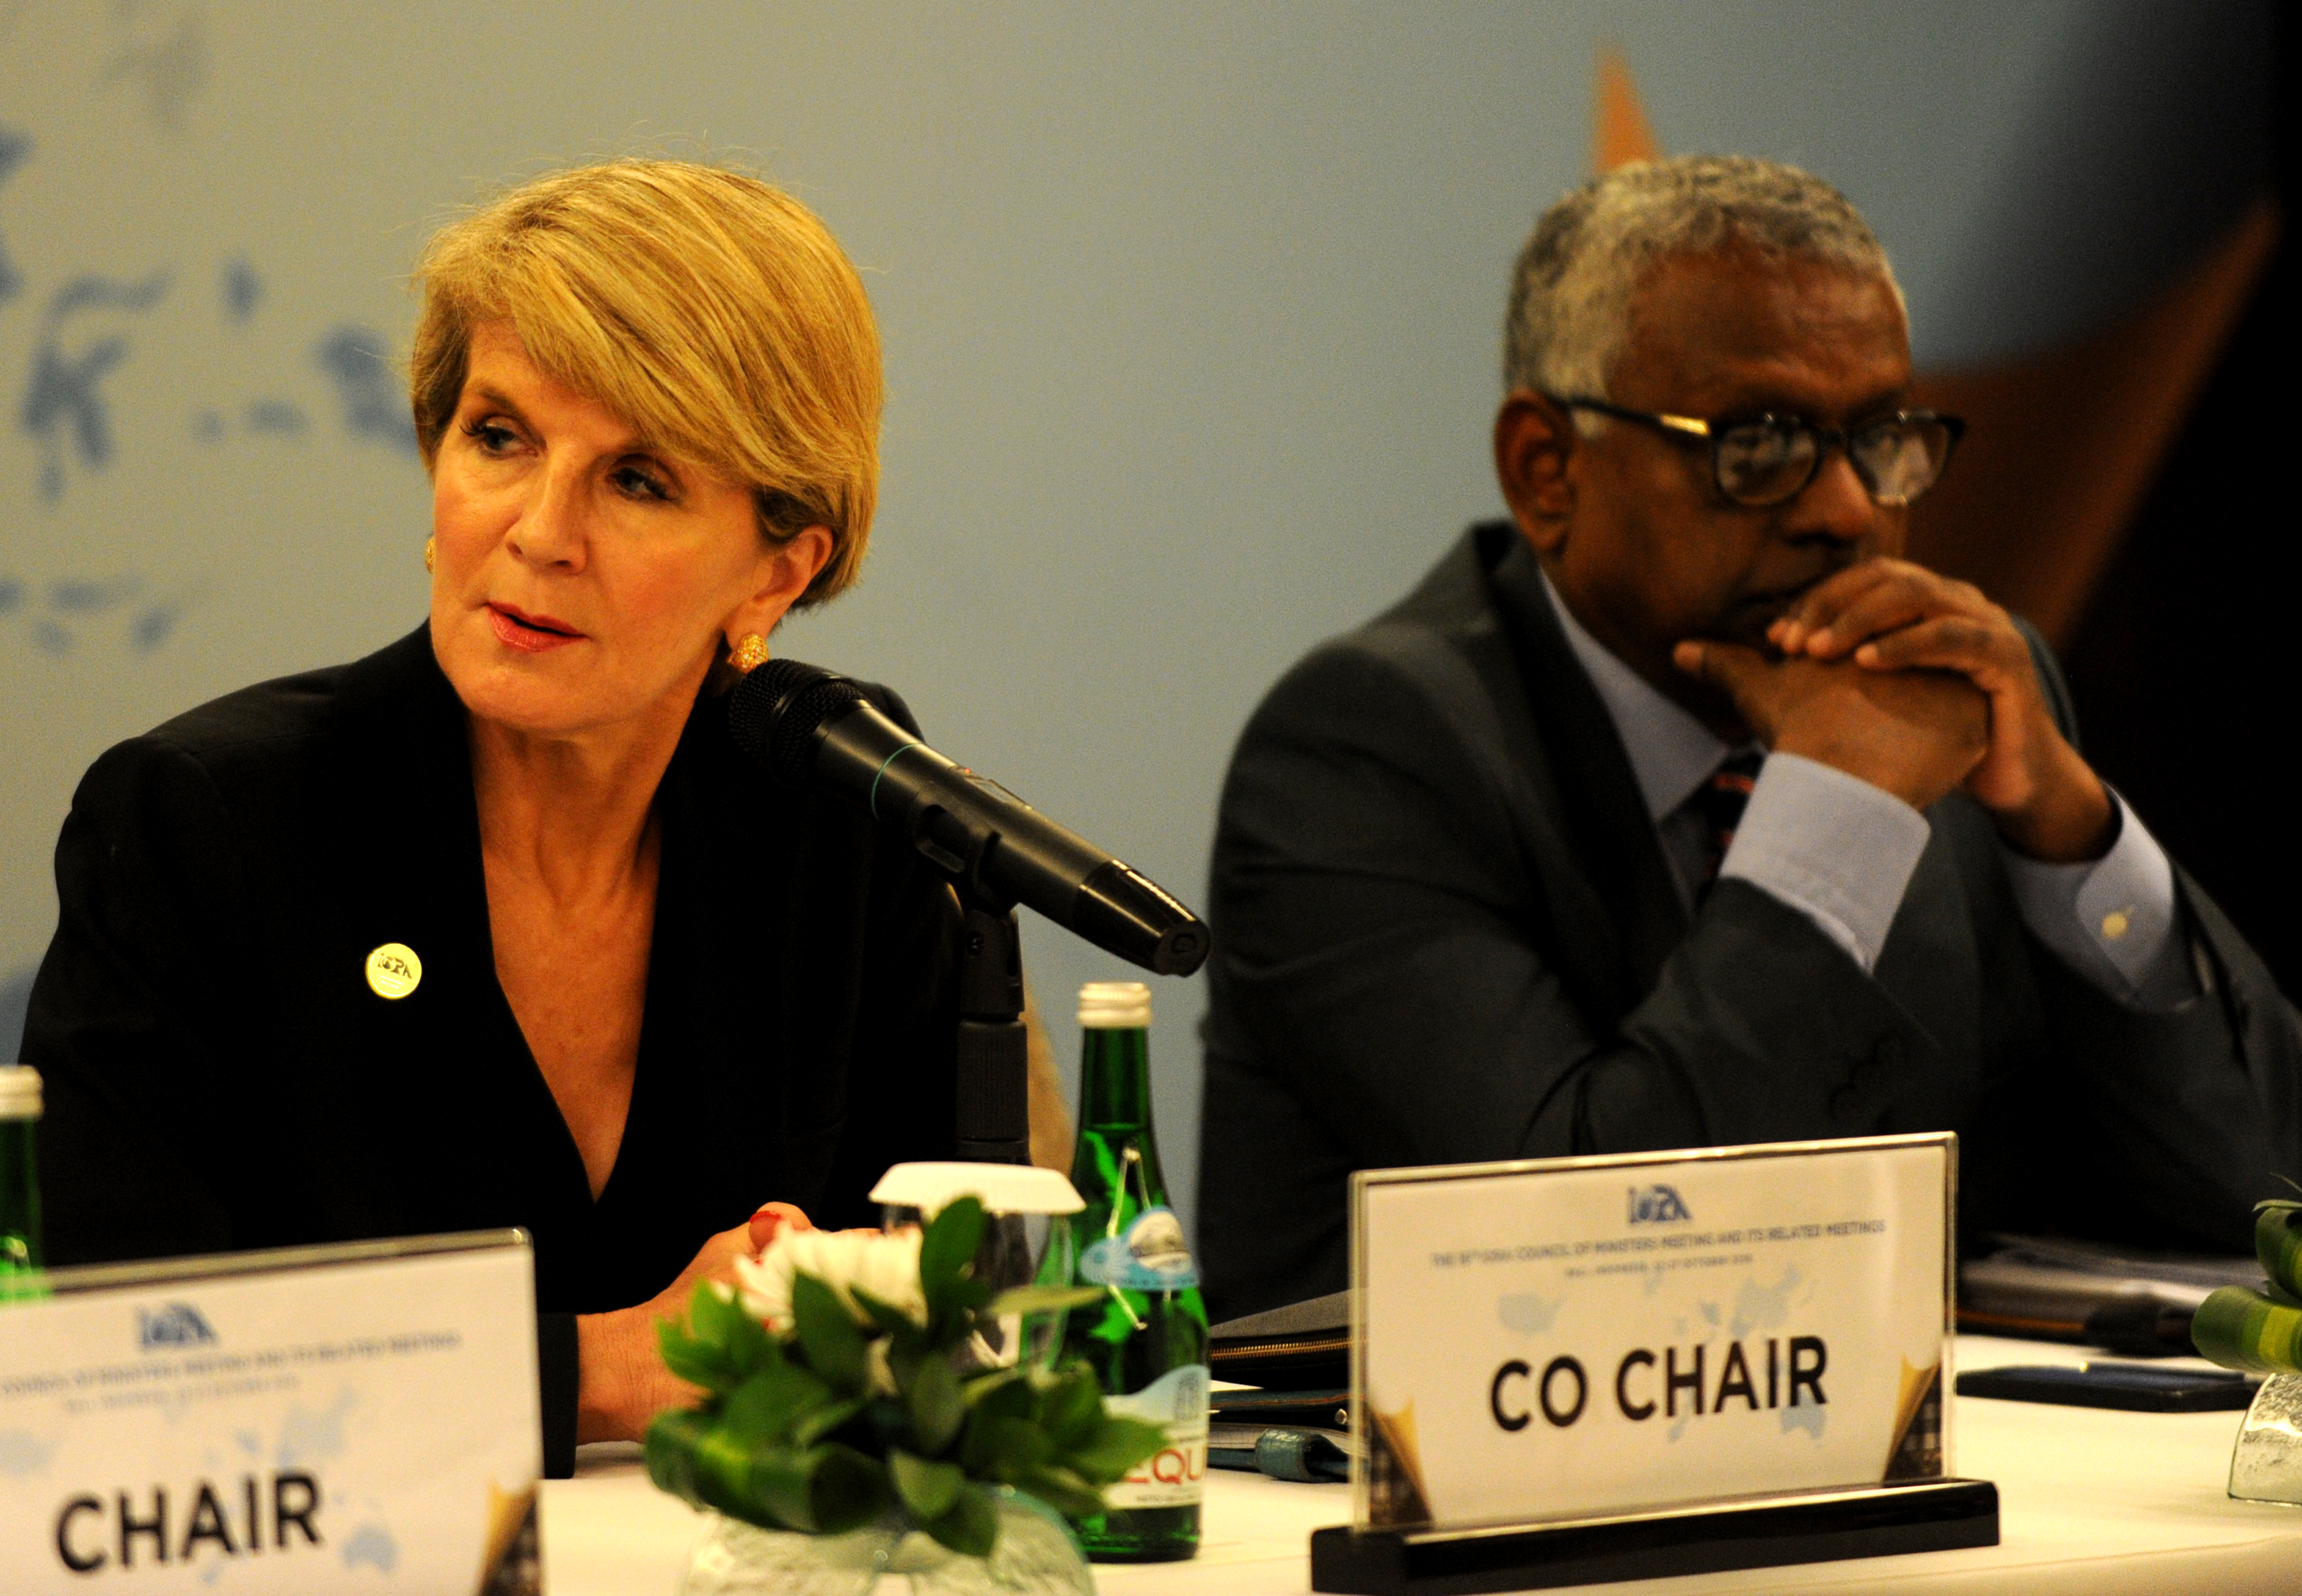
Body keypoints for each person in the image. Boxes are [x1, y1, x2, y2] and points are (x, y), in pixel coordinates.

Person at [1198, 155, 2302, 1322]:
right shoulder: (1366, 751)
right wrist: (1836, 821)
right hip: (1411, 1482)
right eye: (1757, 441)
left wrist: (2067, 833)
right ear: (1545, 471)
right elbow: (1603, 1249)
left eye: (1881, 436)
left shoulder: (1952, 708)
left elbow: (2265, 1196)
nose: (1845, 511)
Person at [24, 161, 962, 1475]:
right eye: (500, 438)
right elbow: (111, 1350)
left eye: (637, 479)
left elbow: (946, 1313)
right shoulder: (210, 822)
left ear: (777, 571)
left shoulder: (848, 821)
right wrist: (605, 1366)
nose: (538, 530)